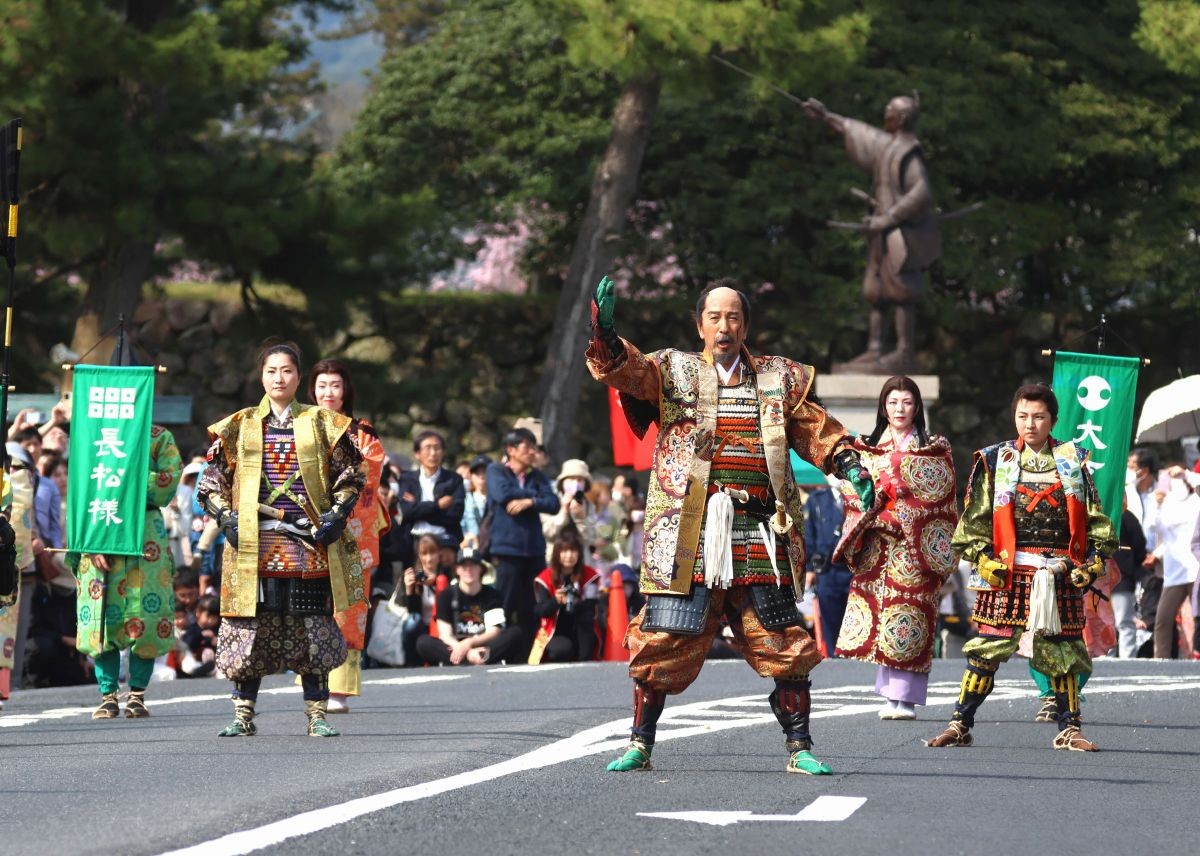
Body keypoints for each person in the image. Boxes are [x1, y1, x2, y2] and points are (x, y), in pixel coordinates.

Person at [587, 276, 872, 775]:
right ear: (699, 325)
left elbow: (815, 429)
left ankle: (800, 747)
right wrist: (606, 334)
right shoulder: (672, 372)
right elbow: (626, 373)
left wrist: (849, 464)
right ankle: (640, 743)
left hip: (760, 528)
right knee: (663, 636)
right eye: (715, 317)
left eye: (734, 317)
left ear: (746, 325)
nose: (725, 326)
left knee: (782, 638)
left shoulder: (776, 379)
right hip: (687, 532)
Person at [927, 383, 1117, 752]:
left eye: (1039, 417)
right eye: (1023, 416)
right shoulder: (996, 460)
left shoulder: (1072, 460)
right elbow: (974, 523)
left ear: (1054, 420)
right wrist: (984, 560)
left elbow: (1097, 524)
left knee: (1063, 652)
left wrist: (1090, 567)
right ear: (1014, 416)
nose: (1030, 424)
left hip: (1059, 572)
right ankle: (959, 723)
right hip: (1008, 572)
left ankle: (1069, 729)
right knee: (987, 650)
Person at [197, 340, 367, 737]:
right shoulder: (238, 425)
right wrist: (225, 517)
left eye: (287, 371)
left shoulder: (324, 423)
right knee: (249, 626)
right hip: (252, 544)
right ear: (262, 376)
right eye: (272, 371)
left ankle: (317, 714)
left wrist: (337, 514)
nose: (279, 378)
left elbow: (351, 475)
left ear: (298, 377)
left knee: (312, 625)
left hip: (308, 542)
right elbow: (211, 481)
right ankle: (243, 714)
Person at [833, 376, 958, 720]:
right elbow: (849, 488)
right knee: (882, 617)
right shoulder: (867, 446)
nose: (899, 409)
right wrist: (872, 501)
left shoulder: (933, 448)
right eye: (892, 402)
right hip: (876, 541)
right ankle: (890, 694)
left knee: (910, 614)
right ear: (883, 407)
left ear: (917, 407)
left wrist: (899, 489)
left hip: (914, 544)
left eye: (906, 402)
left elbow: (941, 494)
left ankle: (904, 697)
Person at [802, 95, 941, 373]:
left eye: (890, 109)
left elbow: (922, 191)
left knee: (901, 290)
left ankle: (904, 350)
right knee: (876, 291)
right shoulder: (888, 145)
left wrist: (890, 216)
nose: (885, 112)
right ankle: (874, 348)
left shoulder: (908, 151)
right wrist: (826, 116)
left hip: (898, 232)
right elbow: (859, 131)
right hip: (881, 231)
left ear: (901, 118)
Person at [69, 424, 182, 717]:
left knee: (144, 612)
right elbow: (80, 488)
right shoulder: (90, 433)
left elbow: (167, 484)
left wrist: (122, 478)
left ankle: (138, 693)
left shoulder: (159, 437)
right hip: (98, 528)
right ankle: (107, 693)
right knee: (102, 616)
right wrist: (88, 542)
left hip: (145, 535)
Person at [310, 358, 388, 713]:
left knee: (350, 609)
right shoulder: (297, 427)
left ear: (346, 391)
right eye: (322, 385)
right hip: (308, 532)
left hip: (353, 533)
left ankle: (339, 689)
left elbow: (369, 471)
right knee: (313, 607)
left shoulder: (363, 432)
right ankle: (314, 683)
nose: (328, 392)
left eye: (335, 386)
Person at [486, 426, 560, 656]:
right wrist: (536, 497)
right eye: (527, 447)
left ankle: (530, 654)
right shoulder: (496, 470)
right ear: (511, 449)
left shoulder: (537, 476)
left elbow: (553, 503)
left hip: (534, 550)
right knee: (503, 604)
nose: (532, 452)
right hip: (507, 550)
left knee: (533, 606)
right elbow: (502, 494)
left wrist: (530, 503)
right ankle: (494, 652)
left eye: (534, 448)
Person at [416, 547, 522, 666]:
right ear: (457, 569)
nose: (468, 570)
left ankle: (480, 658)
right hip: (455, 647)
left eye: (473, 565)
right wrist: (465, 651)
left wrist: (469, 643)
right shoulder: (446, 595)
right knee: (423, 642)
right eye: (464, 566)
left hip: (484, 645)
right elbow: (446, 635)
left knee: (516, 633)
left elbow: (494, 631)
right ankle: (470, 659)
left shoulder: (493, 595)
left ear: (481, 569)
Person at [529, 531, 603, 664]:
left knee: (585, 616)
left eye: (573, 551)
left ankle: (585, 659)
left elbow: (592, 605)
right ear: (557, 553)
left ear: (579, 553)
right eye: (564, 551)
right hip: (556, 631)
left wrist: (577, 600)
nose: (569, 556)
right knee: (561, 651)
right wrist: (556, 601)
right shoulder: (545, 578)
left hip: (582, 630)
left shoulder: (589, 575)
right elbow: (539, 611)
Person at [397, 430, 465, 566]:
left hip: (445, 542)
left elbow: (454, 514)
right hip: (414, 541)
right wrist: (437, 505)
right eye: (428, 448)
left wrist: (418, 507)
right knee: (415, 583)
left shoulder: (454, 479)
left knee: (444, 584)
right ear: (417, 454)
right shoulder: (407, 478)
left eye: (437, 448)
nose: (433, 453)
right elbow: (407, 511)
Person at [1152, 464, 1199, 658]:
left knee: (1197, 616)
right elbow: (1154, 527)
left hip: (1195, 567)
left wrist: (1186, 473)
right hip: (1174, 569)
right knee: (1163, 618)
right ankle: (1160, 659)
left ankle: (1195, 655)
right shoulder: (1167, 502)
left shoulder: (1196, 499)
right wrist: (1157, 503)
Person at [803, 475, 853, 654]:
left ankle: (851, 658)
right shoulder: (817, 501)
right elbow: (809, 536)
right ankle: (834, 657)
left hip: (852, 569)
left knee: (853, 618)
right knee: (830, 619)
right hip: (827, 570)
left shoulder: (857, 497)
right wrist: (809, 569)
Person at [541, 458, 599, 559]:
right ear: (562, 482)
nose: (575, 483)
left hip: (580, 561)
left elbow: (590, 539)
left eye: (580, 480)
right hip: (553, 559)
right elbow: (547, 533)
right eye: (571, 478)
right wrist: (563, 511)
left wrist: (581, 519)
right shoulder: (550, 502)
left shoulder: (588, 506)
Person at [399, 532, 443, 666]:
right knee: (412, 622)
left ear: (439, 554)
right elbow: (412, 612)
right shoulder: (415, 576)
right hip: (422, 625)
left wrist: (436, 583)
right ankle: (410, 662)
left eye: (432, 553)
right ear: (419, 555)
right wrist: (409, 588)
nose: (429, 559)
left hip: (443, 625)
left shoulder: (445, 575)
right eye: (424, 554)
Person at [180, 594, 221, 678]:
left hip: (214, 662)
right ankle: (199, 670)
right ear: (198, 613)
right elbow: (187, 643)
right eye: (208, 616)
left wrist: (216, 641)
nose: (211, 621)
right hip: (195, 659)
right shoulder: (193, 629)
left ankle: (210, 670)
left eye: (215, 618)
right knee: (188, 664)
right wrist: (200, 635)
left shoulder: (217, 630)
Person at [460, 454, 491, 549]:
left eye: (485, 472)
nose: (481, 476)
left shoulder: (498, 499)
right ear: (471, 476)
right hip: (472, 548)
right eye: (477, 473)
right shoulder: (465, 500)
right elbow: (462, 525)